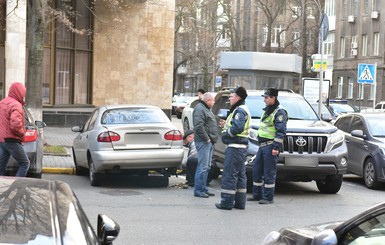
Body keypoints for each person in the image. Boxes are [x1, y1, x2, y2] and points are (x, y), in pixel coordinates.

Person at [248, 88, 287, 204]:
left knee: (269, 172)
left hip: (270, 146)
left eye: (266, 97)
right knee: (257, 170)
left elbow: (280, 132)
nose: (264, 100)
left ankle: (268, 197)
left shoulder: (280, 112)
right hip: (262, 145)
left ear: (273, 98)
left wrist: (276, 147)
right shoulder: (268, 110)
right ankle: (257, 195)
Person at [215, 86, 251, 210]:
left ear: (238, 97)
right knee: (240, 176)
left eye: (231, 96)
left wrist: (226, 135)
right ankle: (240, 203)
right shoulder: (240, 109)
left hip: (235, 147)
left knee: (229, 175)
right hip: (241, 147)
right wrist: (226, 124)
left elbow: (237, 128)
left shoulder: (239, 111)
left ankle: (226, 203)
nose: (229, 98)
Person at [0, 82, 30, 177]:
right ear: (19, 92)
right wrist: (22, 134)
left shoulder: (2, 102)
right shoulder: (16, 105)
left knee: (1, 167)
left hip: (2, 140)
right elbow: (15, 125)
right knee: (25, 163)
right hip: (12, 139)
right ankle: (17, 187)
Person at [192, 92, 218, 198]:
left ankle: (203, 188)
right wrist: (206, 138)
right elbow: (198, 126)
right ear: (208, 100)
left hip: (209, 142)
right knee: (202, 166)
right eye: (213, 100)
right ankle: (198, 190)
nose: (214, 102)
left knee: (206, 167)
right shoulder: (200, 109)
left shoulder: (205, 108)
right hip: (204, 142)